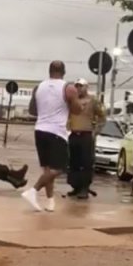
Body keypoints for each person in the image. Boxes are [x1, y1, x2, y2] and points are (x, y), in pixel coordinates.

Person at [21, 60, 81, 212]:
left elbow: (32, 111)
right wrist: (74, 101)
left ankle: (50, 202)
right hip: (57, 132)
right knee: (59, 169)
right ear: (64, 72)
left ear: (49, 71)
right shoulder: (68, 88)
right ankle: (33, 191)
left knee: (47, 170)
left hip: (39, 130)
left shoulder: (39, 87)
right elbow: (77, 110)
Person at [67, 78, 107, 199]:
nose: (79, 89)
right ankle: (75, 186)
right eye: (77, 86)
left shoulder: (93, 101)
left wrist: (96, 131)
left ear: (86, 87)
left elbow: (102, 116)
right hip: (74, 135)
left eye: (81, 86)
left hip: (86, 135)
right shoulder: (72, 101)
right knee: (73, 162)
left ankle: (84, 188)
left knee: (86, 162)